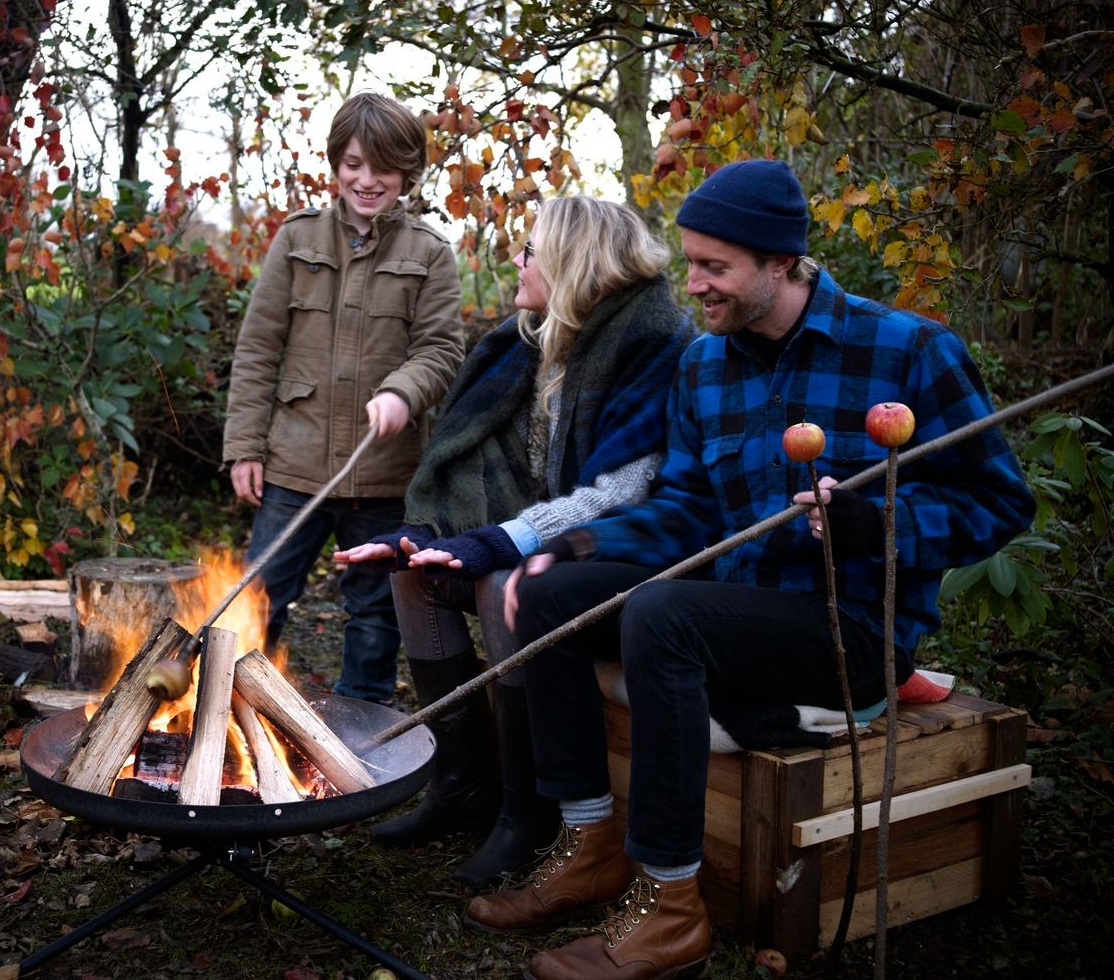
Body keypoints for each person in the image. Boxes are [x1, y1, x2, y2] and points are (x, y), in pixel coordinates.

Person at [463, 159, 1035, 980]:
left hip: (851, 632)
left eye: (714, 267)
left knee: (664, 613)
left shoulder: (909, 350)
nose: (692, 283)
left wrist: (877, 523)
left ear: (779, 262)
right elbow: (692, 510)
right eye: (690, 261)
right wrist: (582, 544)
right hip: (735, 609)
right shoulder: (704, 366)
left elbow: (1000, 503)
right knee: (554, 596)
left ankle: (670, 908)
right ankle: (589, 841)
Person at [336, 196, 695, 886]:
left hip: (621, 552)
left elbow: (623, 489)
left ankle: (525, 809)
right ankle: (463, 780)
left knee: (506, 582)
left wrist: (496, 545)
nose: (517, 260)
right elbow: (470, 465)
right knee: (411, 574)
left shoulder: (655, 341)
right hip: (540, 535)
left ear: (569, 263)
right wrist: (424, 535)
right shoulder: (526, 341)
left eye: (530, 250)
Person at [222, 92, 464, 704]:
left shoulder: (430, 253)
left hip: (383, 477)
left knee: (376, 616)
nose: (366, 180)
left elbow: (440, 350)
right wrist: (245, 447)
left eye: (382, 167)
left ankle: (363, 733)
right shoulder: (297, 240)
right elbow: (257, 350)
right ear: (336, 164)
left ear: (407, 171)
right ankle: (231, 716)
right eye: (353, 163)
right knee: (258, 598)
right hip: (292, 467)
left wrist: (403, 394)